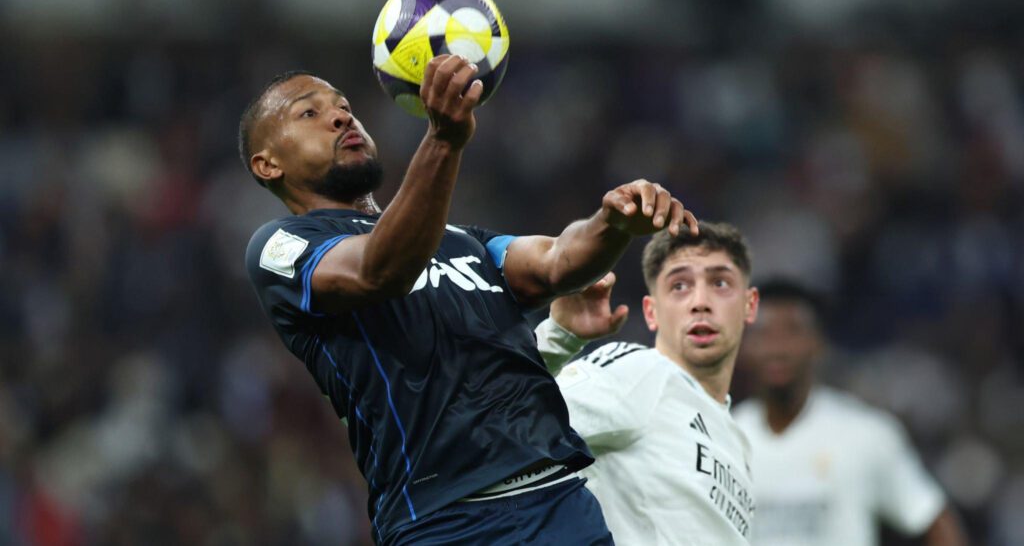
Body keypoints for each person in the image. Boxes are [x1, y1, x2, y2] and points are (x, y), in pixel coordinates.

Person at [239, 53, 698, 545]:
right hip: (447, 520)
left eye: (344, 105)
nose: (341, 116)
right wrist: (442, 139)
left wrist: (614, 223)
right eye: (309, 113)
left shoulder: (459, 238)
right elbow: (379, 270)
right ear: (267, 165)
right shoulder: (280, 247)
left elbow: (557, 262)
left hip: (560, 501)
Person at [536, 222, 760, 545]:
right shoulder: (639, 373)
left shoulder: (738, 440)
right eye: (679, 286)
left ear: (749, 304)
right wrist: (557, 339)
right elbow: (511, 419)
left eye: (720, 283)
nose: (700, 302)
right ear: (651, 312)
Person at [733, 278, 968, 546]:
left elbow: (934, 520)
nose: (778, 348)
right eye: (764, 334)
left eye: (792, 332)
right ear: (745, 347)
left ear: (818, 343)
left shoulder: (866, 434)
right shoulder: (724, 439)